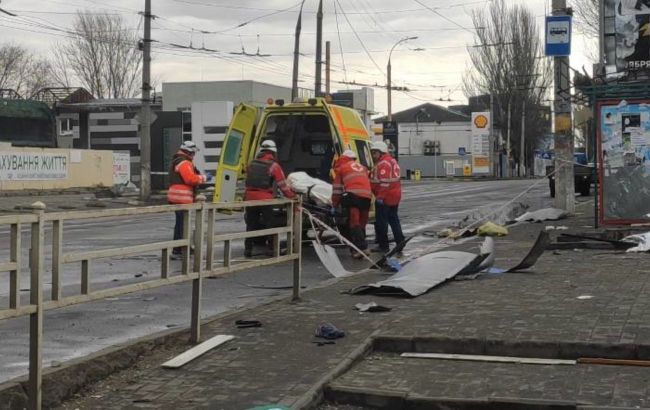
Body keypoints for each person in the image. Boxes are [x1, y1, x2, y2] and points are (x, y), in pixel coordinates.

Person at [244, 140, 296, 257]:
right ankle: (272, 249)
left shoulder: (251, 164)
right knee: (270, 224)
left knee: (251, 225)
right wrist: (293, 197)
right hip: (265, 199)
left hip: (250, 198)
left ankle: (247, 250)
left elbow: (249, 180)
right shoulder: (273, 166)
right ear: (273, 152)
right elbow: (283, 185)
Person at [167, 140, 206, 258]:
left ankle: (183, 247)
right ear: (189, 152)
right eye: (193, 153)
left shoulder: (178, 161)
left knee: (181, 224)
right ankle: (178, 250)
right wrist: (203, 177)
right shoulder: (184, 162)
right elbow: (190, 179)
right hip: (181, 198)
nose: (194, 156)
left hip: (177, 197)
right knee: (181, 225)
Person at [331, 149, 372, 259]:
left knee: (354, 223)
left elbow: (337, 189)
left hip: (353, 196)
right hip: (367, 197)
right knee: (362, 223)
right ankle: (357, 249)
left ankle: (362, 248)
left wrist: (334, 205)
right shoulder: (363, 168)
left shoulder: (342, 168)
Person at [370, 140, 405, 254]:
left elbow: (384, 183)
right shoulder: (392, 161)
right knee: (394, 219)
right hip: (395, 195)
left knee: (381, 223)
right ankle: (400, 241)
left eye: (375, 153)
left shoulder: (383, 163)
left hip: (385, 197)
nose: (373, 155)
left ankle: (383, 246)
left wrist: (380, 197)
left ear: (381, 152)